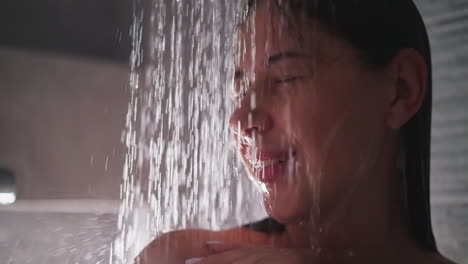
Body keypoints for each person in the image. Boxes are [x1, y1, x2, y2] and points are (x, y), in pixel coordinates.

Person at [136, 0, 457, 263]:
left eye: (286, 77)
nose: (241, 119)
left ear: (400, 89)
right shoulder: (183, 257)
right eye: (240, 89)